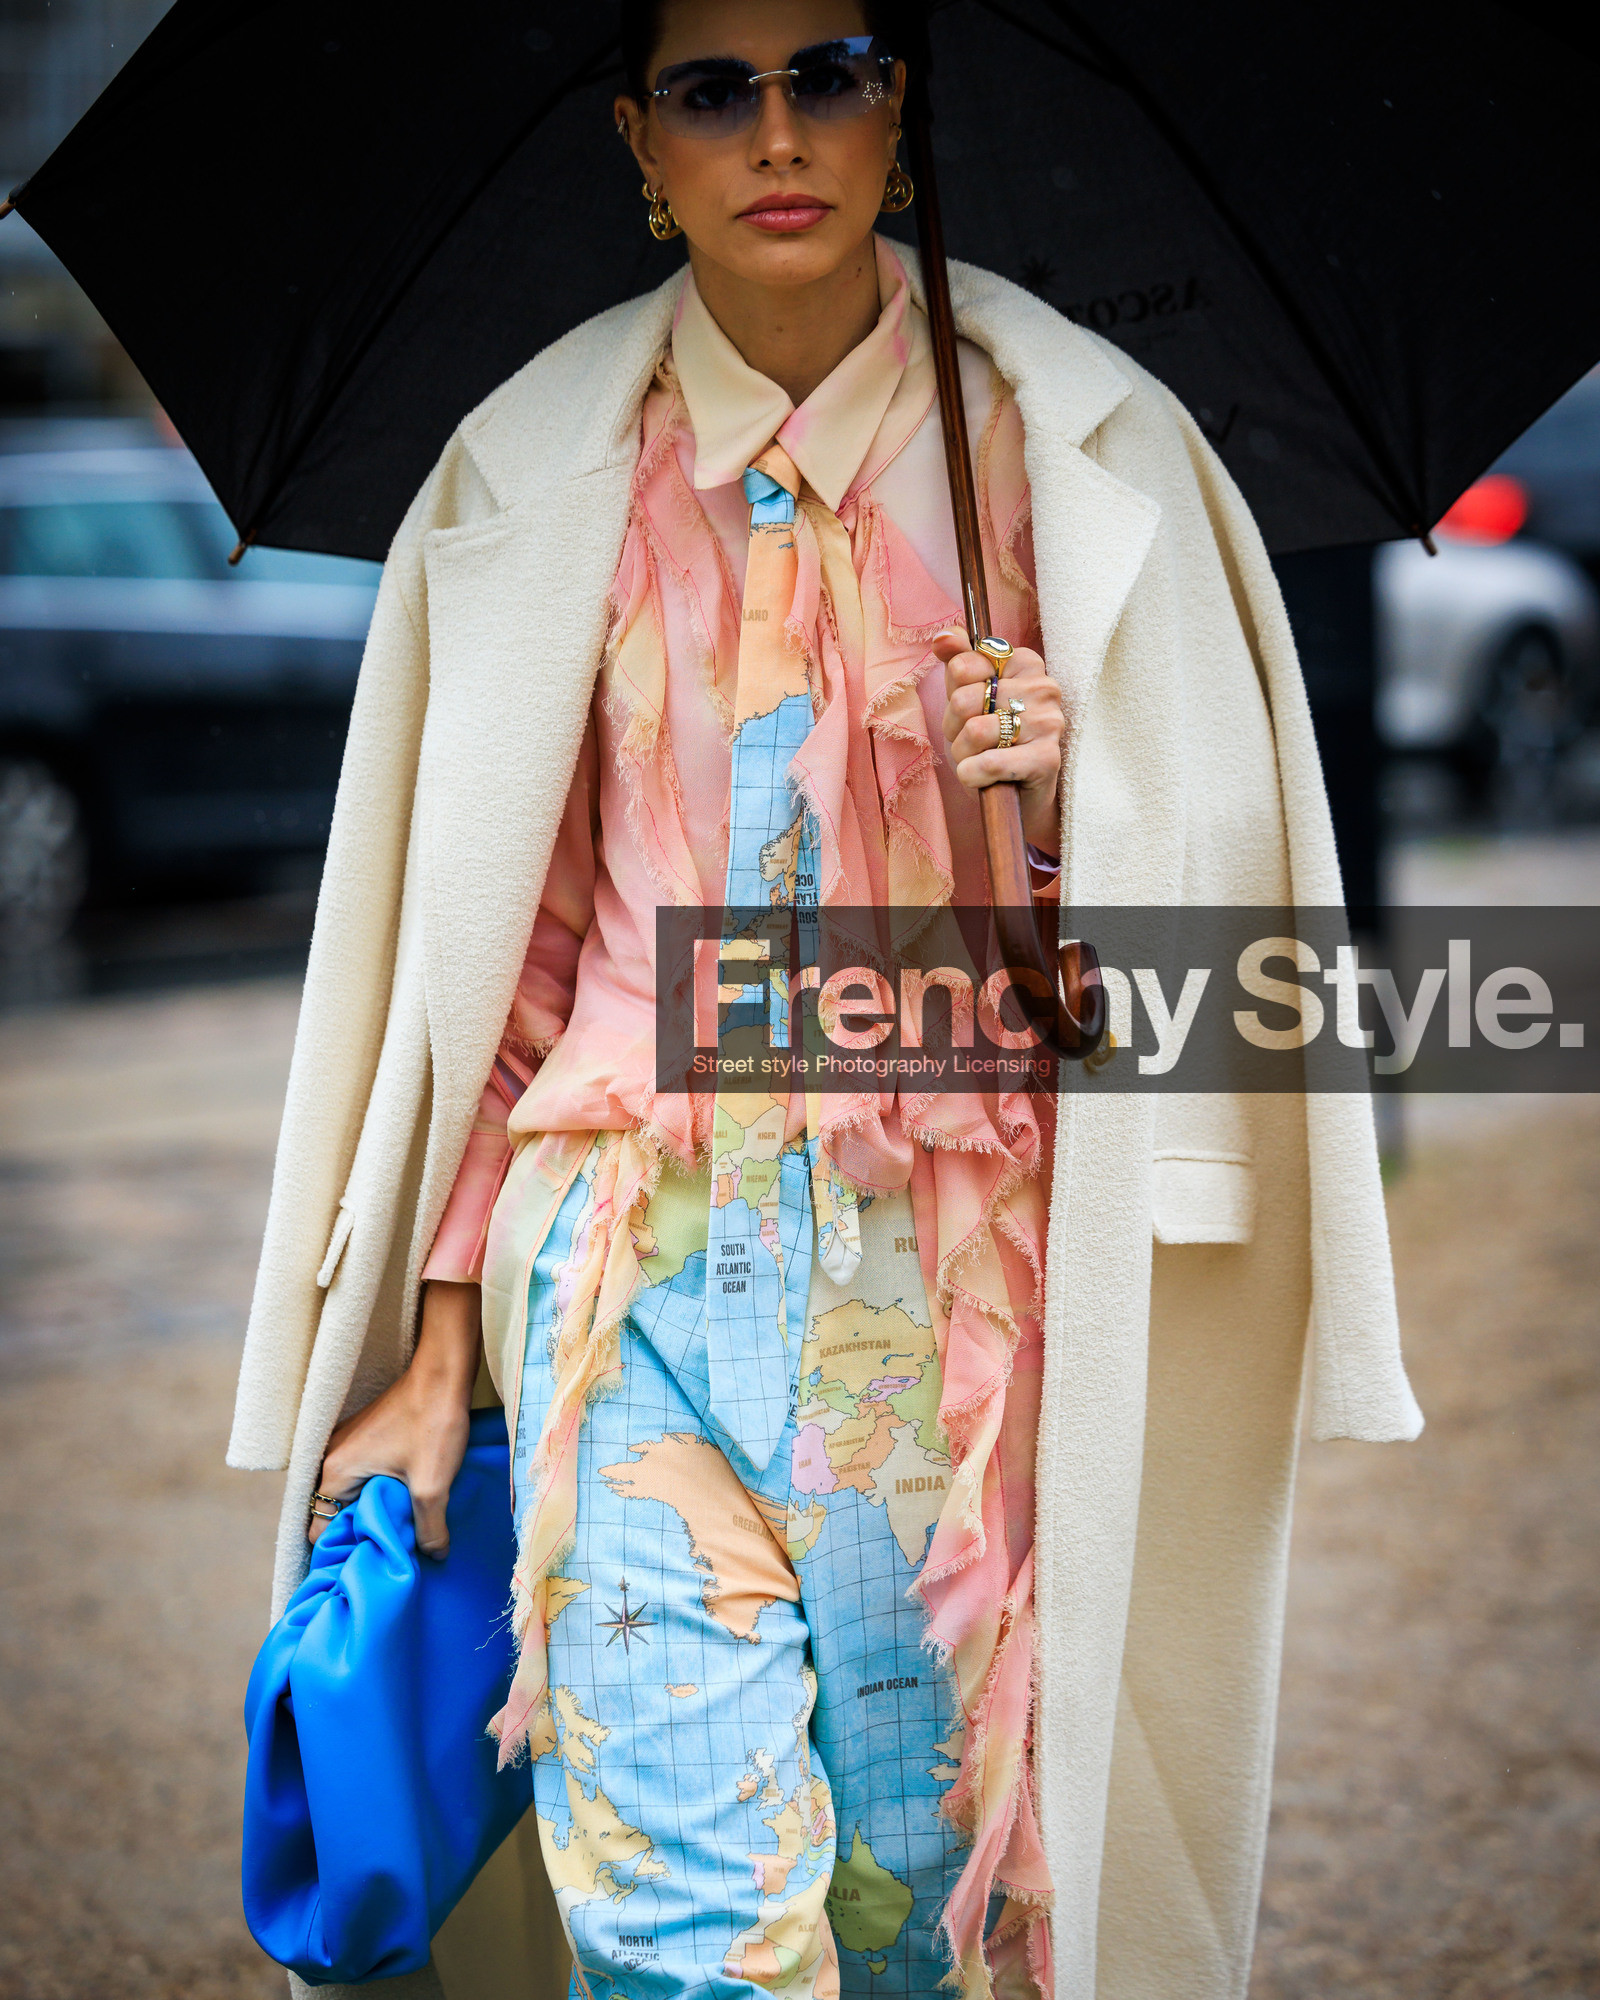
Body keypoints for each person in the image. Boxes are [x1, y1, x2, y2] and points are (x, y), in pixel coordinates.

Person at [228, 4, 1421, 1997]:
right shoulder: (539, 472)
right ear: (640, 139)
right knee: (686, 1935)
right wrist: (440, 1344)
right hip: (616, 1306)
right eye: (714, 89)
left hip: (951, 1323)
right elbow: (500, 969)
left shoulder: (1069, 459)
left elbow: (1171, 981)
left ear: (898, 109)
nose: (775, 132)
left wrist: (1064, 807)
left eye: (832, 72)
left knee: (907, 1930)